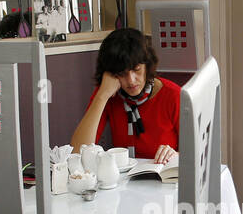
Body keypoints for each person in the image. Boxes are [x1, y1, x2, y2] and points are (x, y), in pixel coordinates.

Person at [69, 28, 178, 164]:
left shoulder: (173, 95)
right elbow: (77, 152)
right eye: (122, 73)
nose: (131, 80)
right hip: (123, 180)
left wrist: (176, 155)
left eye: (136, 70)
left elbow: (197, 153)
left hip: (165, 178)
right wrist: (102, 96)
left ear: (147, 65)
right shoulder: (109, 94)